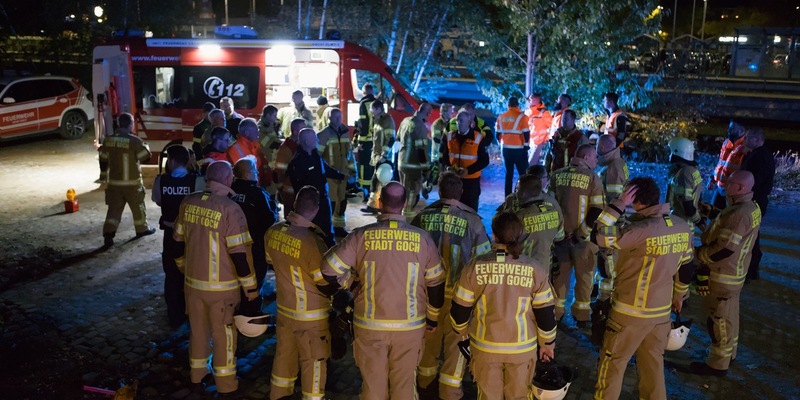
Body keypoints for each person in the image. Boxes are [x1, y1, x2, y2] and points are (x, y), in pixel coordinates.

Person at [320, 182, 445, 400]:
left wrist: (350, 283)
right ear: (405, 204)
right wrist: (432, 320)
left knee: (373, 388)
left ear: (380, 203)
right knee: (404, 387)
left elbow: (327, 269)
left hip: (369, 326)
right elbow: (435, 283)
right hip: (410, 326)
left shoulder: (361, 236)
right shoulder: (423, 239)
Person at [592, 177, 694, 399]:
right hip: (660, 314)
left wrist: (619, 203)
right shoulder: (681, 226)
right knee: (653, 365)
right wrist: (679, 295)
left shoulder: (638, 230)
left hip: (629, 314)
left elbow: (598, 233)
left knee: (613, 364)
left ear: (634, 200)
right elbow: (686, 267)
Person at [172, 161, 259, 397]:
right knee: (224, 337)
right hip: (223, 290)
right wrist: (251, 291)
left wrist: (183, 268)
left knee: (198, 332)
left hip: (192, 285)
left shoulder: (188, 202)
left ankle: (196, 378)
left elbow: (177, 243)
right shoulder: (230, 209)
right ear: (228, 179)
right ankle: (227, 386)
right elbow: (239, 255)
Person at [450, 211, 557, 399]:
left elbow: (459, 311)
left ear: (494, 235)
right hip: (522, 350)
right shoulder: (534, 269)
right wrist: (547, 345)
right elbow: (546, 315)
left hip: (485, 348)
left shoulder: (474, 267)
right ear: (521, 234)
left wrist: (462, 334)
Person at [411, 172, 491, 399]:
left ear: (439, 190)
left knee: (428, 338)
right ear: (461, 192)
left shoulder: (423, 217)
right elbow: (482, 262)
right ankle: (450, 390)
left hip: (428, 294)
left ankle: (425, 381)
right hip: (460, 296)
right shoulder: (473, 220)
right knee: (457, 342)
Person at [690, 170, 761, 377]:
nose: (724, 184)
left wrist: (698, 255)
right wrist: (713, 212)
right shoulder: (749, 207)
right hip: (736, 273)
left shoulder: (739, 214)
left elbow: (725, 248)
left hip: (723, 275)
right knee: (730, 317)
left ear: (740, 188)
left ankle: (717, 364)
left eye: (729, 183)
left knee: (718, 319)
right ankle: (730, 353)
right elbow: (730, 223)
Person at [266, 186, 333, 400]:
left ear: (295, 204)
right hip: (311, 317)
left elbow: (270, 261)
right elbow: (324, 282)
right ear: (316, 210)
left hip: (285, 311)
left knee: (284, 358)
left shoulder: (273, 232)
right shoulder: (313, 242)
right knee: (313, 362)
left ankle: (278, 395)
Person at [151, 145, 205, 328]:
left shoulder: (161, 181)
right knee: (192, 273)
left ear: (171, 161)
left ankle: (174, 314)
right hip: (191, 236)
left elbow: (158, 200)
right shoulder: (197, 182)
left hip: (170, 235)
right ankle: (192, 312)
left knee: (172, 274)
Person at [550, 144, 605, 323]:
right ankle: (581, 316)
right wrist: (580, 234)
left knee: (559, 278)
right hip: (583, 240)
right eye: (594, 156)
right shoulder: (592, 178)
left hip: (560, 239)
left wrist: (558, 234)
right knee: (585, 278)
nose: (596, 160)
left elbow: (550, 206)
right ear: (586, 157)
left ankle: (556, 314)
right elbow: (597, 209)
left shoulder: (556, 175)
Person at [230, 156, 279, 316]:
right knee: (255, 278)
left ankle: (237, 307)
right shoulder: (257, 193)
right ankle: (251, 314)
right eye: (254, 170)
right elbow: (269, 218)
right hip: (254, 244)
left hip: (231, 244)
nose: (257, 172)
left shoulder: (230, 190)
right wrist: (274, 209)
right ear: (247, 173)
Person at [100, 112, 156, 247]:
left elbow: (103, 159)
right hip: (132, 184)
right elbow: (145, 157)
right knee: (138, 208)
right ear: (131, 125)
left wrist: (103, 175)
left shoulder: (108, 140)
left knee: (113, 210)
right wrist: (146, 146)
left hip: (114, 184)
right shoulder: (134, 141)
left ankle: (108, 234)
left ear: (119, 124)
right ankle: (142, 230)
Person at [288, 128, 345, 247]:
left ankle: (329, 249)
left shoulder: (315, 155)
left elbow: (326, 170)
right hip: (310, 203)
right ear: (306, 141)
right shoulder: (298, 162)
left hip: (323, 200)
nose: (317, 140)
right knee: (314, 231)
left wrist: (343, 176)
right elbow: (298, 186)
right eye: (314, 138)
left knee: (327, 229)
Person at [595, 133, 629, 300]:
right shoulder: (617, 163)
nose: (596, 151)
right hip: (614, 222)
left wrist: (609, 224)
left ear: (603, 148)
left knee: (608, 263)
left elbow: (614, 199)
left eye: (598, 148)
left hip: (611, 225)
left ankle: (605, 300)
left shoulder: (613, 168)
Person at [440, 109, 490, 212]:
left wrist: (468, 170)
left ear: (469, 123)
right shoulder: (450, 136)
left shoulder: (478, 138)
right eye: (457, 120)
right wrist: (447, 166)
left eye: (462, 121)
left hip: (471, 182)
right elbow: (444, 156)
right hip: (453, 180)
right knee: (452, 210)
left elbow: (484, 161)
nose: (458, 123)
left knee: (470, 210)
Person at [741, 127, 775, 281]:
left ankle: (750, 270)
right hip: (758, 200)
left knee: (749, 235)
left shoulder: (759, 157)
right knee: (752, 234)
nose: (744, 140)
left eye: (748, 137)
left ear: (756, 139)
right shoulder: (762, 154)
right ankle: (752, 269)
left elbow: (754, 181)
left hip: (754, 200)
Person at [317, 108, 357, 237]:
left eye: (340, 117)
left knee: (342, 202)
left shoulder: (345, 134)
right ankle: (327, 229)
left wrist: (353, 172)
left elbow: (349, 155)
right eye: (335, 117)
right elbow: (317, 156)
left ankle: (339, 227)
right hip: (330, 176)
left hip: (344, 175)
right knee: (331, 203)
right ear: (329, 118)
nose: (338, 120)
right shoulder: (323, 135)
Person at [514, 174, 565, 269]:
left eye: (517, 189)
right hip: (544, 269)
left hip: (522, 269)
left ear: (523, 193)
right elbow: (560, 236)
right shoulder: (553, 211)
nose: (515, 192)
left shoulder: (519, 216)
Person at [397, 102, 433, 218]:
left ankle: (401, 213)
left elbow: (397, 138)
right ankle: (407, 219)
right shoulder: (420, 126)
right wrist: (426, 169)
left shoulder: (405, 121)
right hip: (412, 166)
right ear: (427, 113)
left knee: (403, 190)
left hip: (401, 162)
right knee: (412, 192)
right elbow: (421, 150)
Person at [363, 100, 396, 214]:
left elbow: (391, 139)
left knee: (381, 182)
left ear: (378, 109)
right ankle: (373, 205)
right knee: (376, 182)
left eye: (372, 109)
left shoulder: (386, 120)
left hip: (383, 157)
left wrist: (383, 155)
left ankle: (380, 206)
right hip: (378, 156)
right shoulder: (378, 120)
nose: (371, 112)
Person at [666, 137, 704, 230]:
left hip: (680, 224)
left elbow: (687, 203)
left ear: (677, 152)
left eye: (671, 152)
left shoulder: (684, 173)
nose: (670, 155)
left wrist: (699, 222)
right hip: (682, 223)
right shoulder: (691, 171)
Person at [495, 96, 530, 197]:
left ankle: (508, 197)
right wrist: (526, 146)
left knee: (508, 175)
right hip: (519, 149)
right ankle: (524, 195)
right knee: (523, 174)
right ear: (517, 105)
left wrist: (502, 143)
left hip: (506, 149)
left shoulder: (501, 117)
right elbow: (526, 133)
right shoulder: (522, 117)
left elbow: (497, 134)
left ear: (508, 105)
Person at [710, 120, 747, 210]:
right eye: (729, 127)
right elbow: (721, 163)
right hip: (720, 186)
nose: (729, 130)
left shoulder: (746, 146)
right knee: (713, 215)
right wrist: (713, 179)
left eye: (732, 128)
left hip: (732, 191)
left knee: (728, 219)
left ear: (741, 131)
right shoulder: (727, 142)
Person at [274, 118, 307, 218]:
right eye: (303, 129)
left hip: (297, 189)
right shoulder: (286, 148)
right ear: (296, 131)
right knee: (290, 218)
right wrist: (281, 190)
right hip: (289, 190)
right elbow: (279, 171)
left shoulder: (297, 146)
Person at [422, 103, 455, 199]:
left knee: (445, 177)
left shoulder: (451, 123)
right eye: (450, 111)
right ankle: (426, 187)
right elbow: (436, 139)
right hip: (437, 155)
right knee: (434, 176)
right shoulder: (437, 124)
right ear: (444, 112)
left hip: (447, 154)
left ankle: (444, 197)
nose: (452, 113)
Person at [228, 118, 271, 187]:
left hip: (257, 187)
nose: (258, 133)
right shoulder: (234, 150)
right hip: (247, 189)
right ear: (247, 133)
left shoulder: (255, 146)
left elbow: (262, 165)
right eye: (256, 131)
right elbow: (242, 174)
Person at [354, 84, 377, 191]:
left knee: (363, 165)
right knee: (373, 164)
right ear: (372, 91)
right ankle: (374, 188)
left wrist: (360, 142)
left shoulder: (363, 103)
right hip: (376, 141)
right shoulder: (377, 103)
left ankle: (364, 189)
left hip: (366, 141)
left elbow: (363, 123)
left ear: (363, 92)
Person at [525, 93, 553, 165]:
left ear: (536, 100)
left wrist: (546, 139)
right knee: (534, 166)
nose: (528, 101)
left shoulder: (544, 112)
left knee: (530, 164)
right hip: (530, 143)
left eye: (530, 99)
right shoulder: (528, 111)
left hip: (539, 143)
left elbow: (551, 127)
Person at [258, 105, 282, 170]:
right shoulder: (261, 128)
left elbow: (275, 139)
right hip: (267, 162)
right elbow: (270, 144)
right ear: (268, 115)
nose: (276, 118)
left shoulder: (271, 127)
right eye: (274, 116)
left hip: (273, 160)